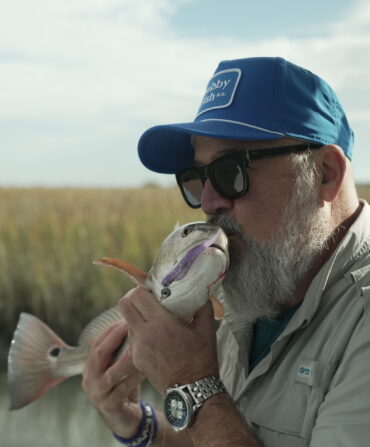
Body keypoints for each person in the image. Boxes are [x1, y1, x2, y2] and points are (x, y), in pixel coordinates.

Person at [82, 57, 370, 447]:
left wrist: (191, 382)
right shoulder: (258, 283)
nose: (209, 201)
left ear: (326, 174)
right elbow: (220, 434)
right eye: (196, 178)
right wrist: (137, 425)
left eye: (231, 170)